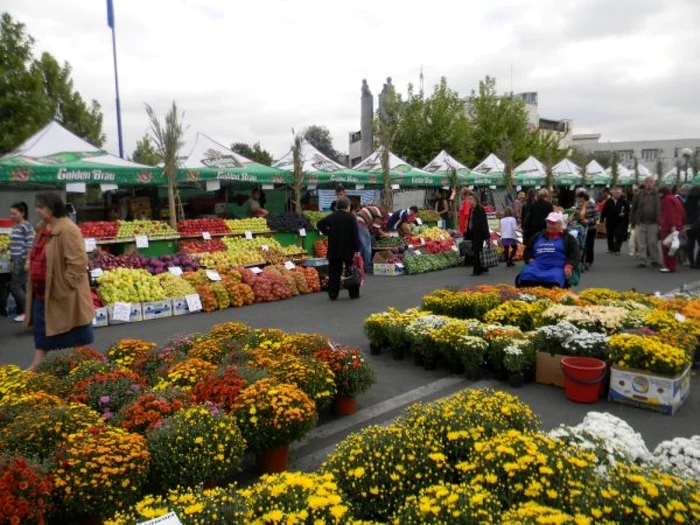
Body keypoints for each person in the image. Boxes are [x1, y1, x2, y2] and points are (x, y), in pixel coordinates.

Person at [26, 193, 94, 370]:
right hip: (45, 290)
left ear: (52, 207)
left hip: (63, 291)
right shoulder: (44, 228)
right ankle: (38, 363)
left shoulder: (68, 229)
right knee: (43, 329)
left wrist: (66, 285)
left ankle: (84, 365)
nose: (37, 211)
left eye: (41, 207)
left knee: (75, 329)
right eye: (37, 207)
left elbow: (78, 262)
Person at [516, 212, 580, 288]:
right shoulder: (538, 236)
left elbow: (575, 254)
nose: (550, 226)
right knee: (526, 276)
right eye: (549, 223)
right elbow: (528, 250)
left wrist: (569, 266)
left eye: (553, 223)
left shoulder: (568, 238)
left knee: (555, 279)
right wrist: (529, 259)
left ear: (560, 225)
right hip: (538, 265)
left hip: (556, 267)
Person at [317, 197, 361, 300]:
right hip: (348, 249)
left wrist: (328, 233)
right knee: (351, 270)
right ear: (348, 206)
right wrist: (357, 249)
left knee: (334, 272)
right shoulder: (351, 218)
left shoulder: (332, 217)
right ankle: (353, 293)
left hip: (334, 248)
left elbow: (320, 224)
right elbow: (355, 235)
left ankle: (333, 293)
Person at [8, 202, 34, 322]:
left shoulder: (26, 226)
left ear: (22, 213)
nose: (12, 216)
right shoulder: (16, 226)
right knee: (22, 286)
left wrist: (28, 261)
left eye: (15, 213)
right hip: (16, 258)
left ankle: (28, 312)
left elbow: (30, 245)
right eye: (11, 214)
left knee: (15, 286)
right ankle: (27, 312)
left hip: (21, 258)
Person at [631, 176, 660, 268]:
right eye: (647, 181)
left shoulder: (657, 194)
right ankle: (642, 261)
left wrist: (660, 222)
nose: (649, 183)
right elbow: (633, 208)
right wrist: (632, 221)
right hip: (641, 222)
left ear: (654, 183)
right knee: (641, 243)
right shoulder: (639, 194)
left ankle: (654, 260)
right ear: (644, 183)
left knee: (652, 242)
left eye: (651, 181)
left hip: (653, 222)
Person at [659, 186, 686, 273]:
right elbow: (683, 212)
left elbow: (669, 214)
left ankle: (669, 266)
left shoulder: (666, 200)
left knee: (667, 246)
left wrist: (672, 225)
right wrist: (681, 224)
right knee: (673, 246)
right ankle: (672, 265)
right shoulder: (674, 199)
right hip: (678, 225)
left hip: (669, 226)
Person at [571, 191, 598, 270]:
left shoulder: (592, 205)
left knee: (589, 245)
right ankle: (581, 260)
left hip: (591, 228)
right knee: (582, 244)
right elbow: (576, 215)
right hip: (581, 227)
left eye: (579, 197)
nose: (578, 199)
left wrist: (588, 220)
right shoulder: (579, 205)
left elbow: (597, 216)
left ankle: (589, 261)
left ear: (583, 197)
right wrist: (572, 219)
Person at [356, 204, 386, 274]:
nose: (385, 214)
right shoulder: (378, 213)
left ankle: (358, 265)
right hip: (361, 223)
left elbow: (372, 228)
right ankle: (367, 267)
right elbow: (376, 228)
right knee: (367, 247)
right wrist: (385, 235)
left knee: (362, 246)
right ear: (383, 210)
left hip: (357, 221)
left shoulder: (374, 208)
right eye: (385, 212)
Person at [465, 194, 490, 276]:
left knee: (476, 251)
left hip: (479, 234)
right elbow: (470, 221)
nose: (470, 200)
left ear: (475, 199)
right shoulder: (471, 209)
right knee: (477, 251)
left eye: (471, 199)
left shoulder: (480, 209)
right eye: (469, 199)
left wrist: (487, 236)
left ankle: (476, 270)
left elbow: (484, 223)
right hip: (473, 233)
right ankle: (481, 268)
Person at [600, 187, 630, 255]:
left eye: (620, 193)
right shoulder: (608, 201)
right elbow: (604, 211)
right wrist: (602, 219)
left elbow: (628, 210)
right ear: (613, 194)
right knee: (610, 235)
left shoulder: (624, 201)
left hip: (620, 221)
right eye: (617, 193)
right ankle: (610, 248)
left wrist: (624, 213)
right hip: (610, 220)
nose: (619, 194)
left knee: (619, 234)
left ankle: (617, 249)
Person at [684, 186, 700, 268]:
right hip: (698, 225)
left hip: (689, 225)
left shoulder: (687, 201)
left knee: (690, 244)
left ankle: (691, 262)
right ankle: (698, 262)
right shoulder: (698, 202)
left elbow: (684, 213)